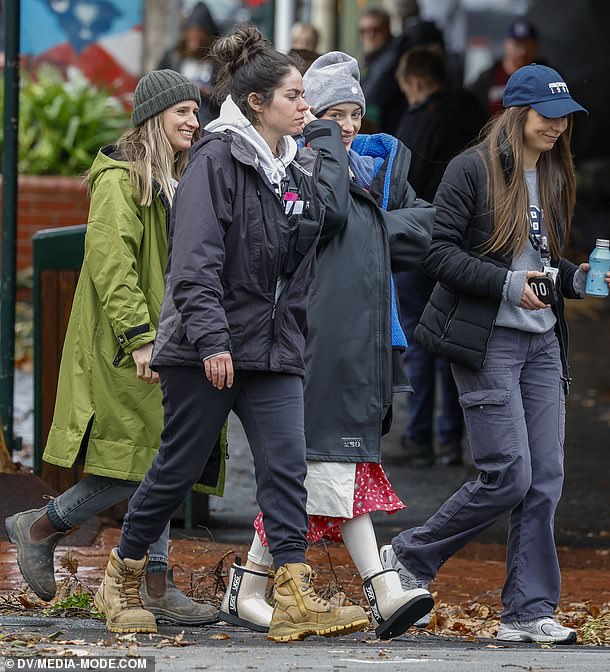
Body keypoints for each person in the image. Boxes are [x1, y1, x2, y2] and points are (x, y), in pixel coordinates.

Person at [93, 25, 370, 642]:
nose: (307, 107)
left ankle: (294, 592)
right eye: (296, 97)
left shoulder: (290, 165)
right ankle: (122, 574)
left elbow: (314, 239)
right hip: (207, 349)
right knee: (177, 466)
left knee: (284, 468)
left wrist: (324, 143)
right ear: (257, 104)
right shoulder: (216, 161)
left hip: (272, 347)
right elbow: (193, 265)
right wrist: (214, 341)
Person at [380, 64, 610, 644]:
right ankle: (405, 557)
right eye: (548, 115)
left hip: (541, 343)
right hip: (485, 339)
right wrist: (510, 286)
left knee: (546, 480)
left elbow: (537, 260)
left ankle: (528, 610)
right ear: (517, 114)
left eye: (565, 117)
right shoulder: (471, 170)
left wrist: (575, 276)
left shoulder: (554, 175)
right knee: (508, 474)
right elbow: (437, 254)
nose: (559, 127)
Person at [218, 51, 436, 641]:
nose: (346, 125)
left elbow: (428, 226)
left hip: (362, 348)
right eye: (331, 113)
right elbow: (331, 215)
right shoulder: (301, 166)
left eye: (353, 114)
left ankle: (251, 585)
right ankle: (382, 586)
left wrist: (375, 234)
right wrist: (369, 225)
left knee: (319, 469)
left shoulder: (375, 171)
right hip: (314, 344)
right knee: (330, 465)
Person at [5, 70, 219, 626]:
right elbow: (111, 264)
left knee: (162, 457)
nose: (194, 122)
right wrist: (141, 339)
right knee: (134, 464)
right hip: (127, 346)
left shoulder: (172, 177)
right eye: (182, 113)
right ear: (154, 118)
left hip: (163, 342)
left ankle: (154, 580)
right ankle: (43, 525)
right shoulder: (121, 178)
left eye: (197, 113)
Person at [389, 46, 487, 466]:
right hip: (464, 247)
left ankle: (419, 437)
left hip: (419, 246)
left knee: (418, 339)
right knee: (453, 338)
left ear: (413, 83)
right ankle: (452, 440)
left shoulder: (416, 121)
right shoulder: (476, 118)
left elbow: (401, 186)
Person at [158, 2, 221, 125]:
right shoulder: (173, 58)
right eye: (192, 39)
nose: (195, 45)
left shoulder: (218, 62)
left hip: (208, 119)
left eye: (199, 39)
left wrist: (208, 92)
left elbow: (226, 96)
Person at [470, 19, 541, 117]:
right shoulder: (489, 77)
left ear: (536, 47)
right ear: (506, 45)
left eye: (528, 45)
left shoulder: (547, 77)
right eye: (517, 45)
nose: (523, 51)